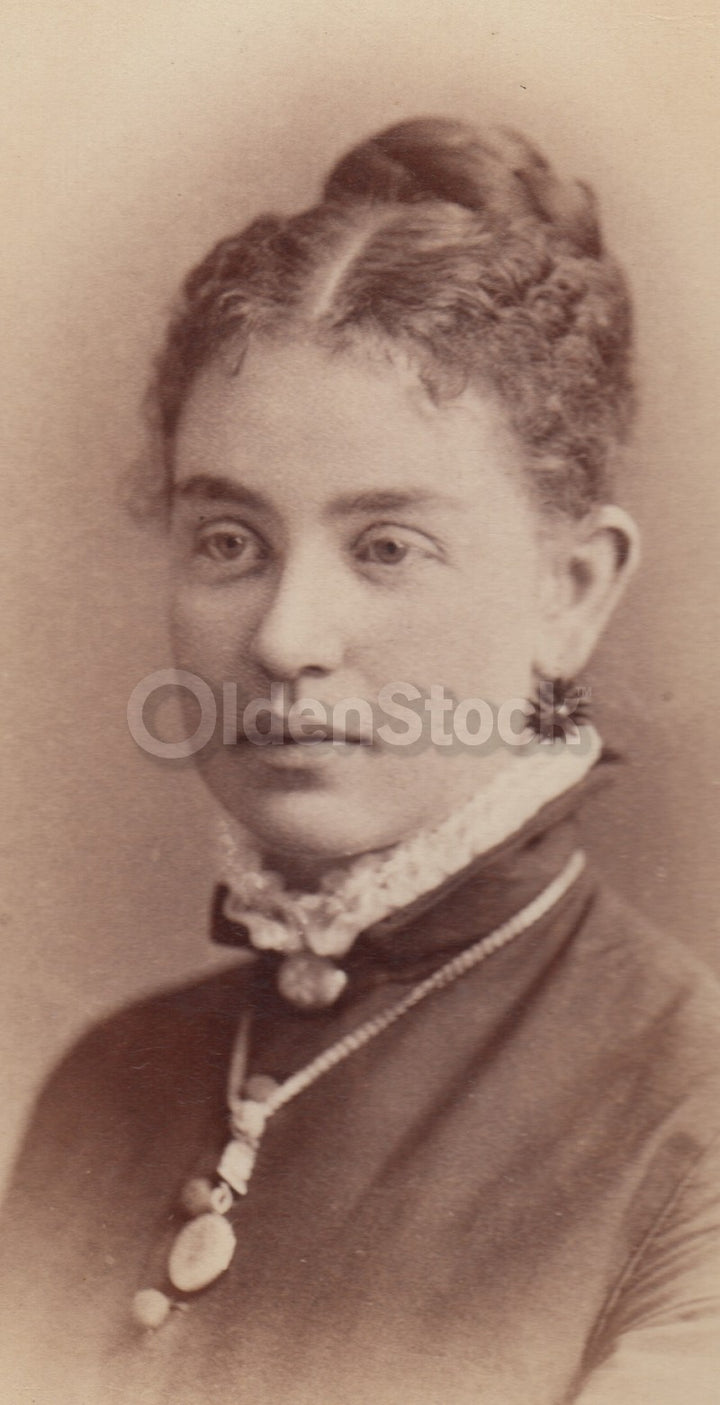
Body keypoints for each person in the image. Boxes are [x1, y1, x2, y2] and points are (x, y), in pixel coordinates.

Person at [2, 117, 719, 1405]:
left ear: (572, 589)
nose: (283, 637)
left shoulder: (691, 1115)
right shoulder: (100, 1090)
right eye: (229, 540)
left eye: (386, 546)